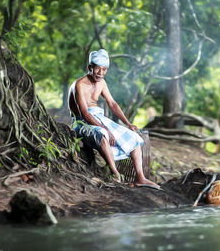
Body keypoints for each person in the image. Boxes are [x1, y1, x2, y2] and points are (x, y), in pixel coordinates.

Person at [68, 49, 160, 189]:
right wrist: (105, 129)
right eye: (98, 69)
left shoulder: (102, 83)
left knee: (133, 138)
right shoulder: (79, 85)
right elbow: (85, 113)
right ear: (90, 68)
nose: (101, 73)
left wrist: (128, 123)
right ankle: (115, 174)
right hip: (82, 122)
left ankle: (140, 177)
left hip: (100, 118)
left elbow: (112, 104)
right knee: (103, 134)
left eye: (104, 70)